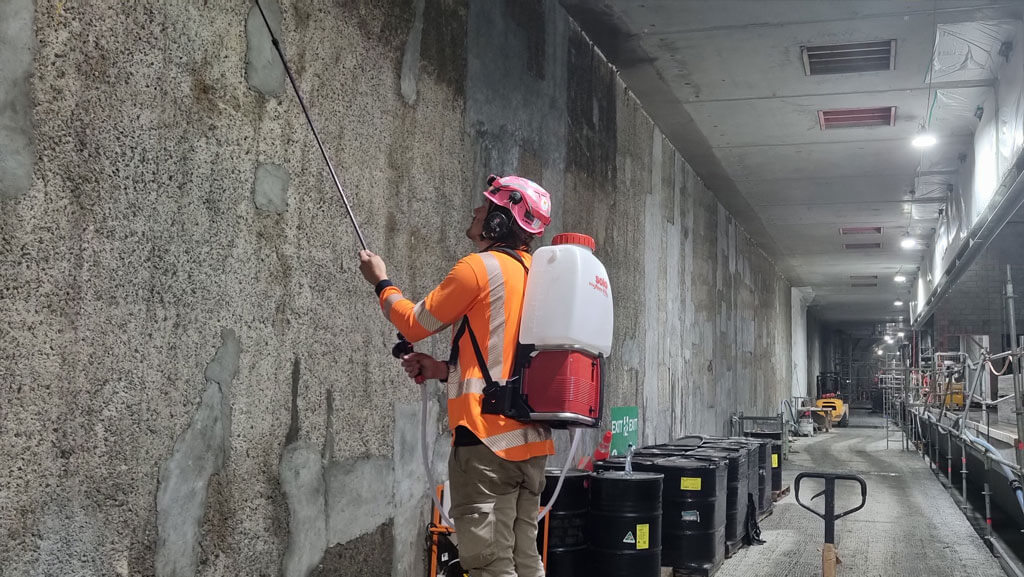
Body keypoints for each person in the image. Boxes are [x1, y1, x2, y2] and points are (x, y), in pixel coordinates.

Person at [358, 175, 555, 577]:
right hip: (531, 446)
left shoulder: (479, 268)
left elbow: (414, 323)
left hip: (486, 443)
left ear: (499, 223)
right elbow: (507, 359)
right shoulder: (539, 276)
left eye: (484, 208)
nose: (475, 211)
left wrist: (381, 281)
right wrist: (443, 371)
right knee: (524, 560)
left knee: (488, 564)